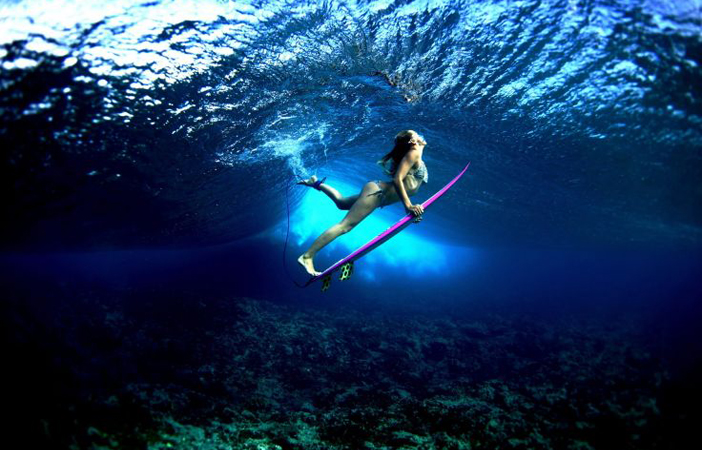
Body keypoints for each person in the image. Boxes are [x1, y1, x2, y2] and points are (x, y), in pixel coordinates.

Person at [296, 130, 429, 276]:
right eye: (416, 134)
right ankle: (307, 256)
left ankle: (315, 183)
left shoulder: (416, 153)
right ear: (412, 141)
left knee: (342, 203)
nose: (420, 135)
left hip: (377, 194)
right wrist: (409, 206)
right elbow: (398, 179)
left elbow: (408, 182)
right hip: (377, 193)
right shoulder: (414, 152)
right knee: (345, 227)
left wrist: (413, 210)